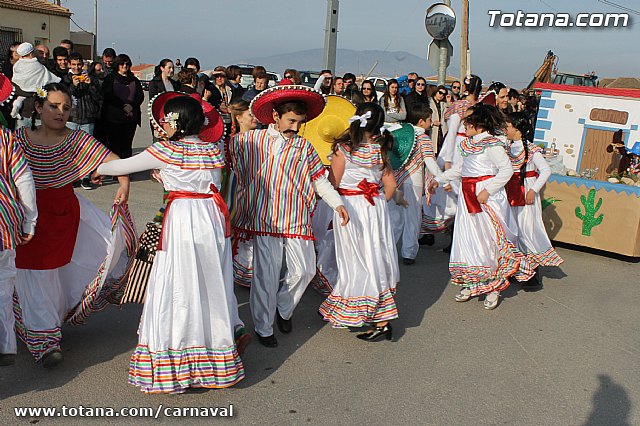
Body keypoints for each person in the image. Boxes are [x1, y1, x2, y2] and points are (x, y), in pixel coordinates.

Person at [97, 93, 246, 394]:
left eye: (166, 119)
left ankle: (177, 359)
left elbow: (120, 166)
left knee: (178, 285)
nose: (161, 123)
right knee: (209, 284)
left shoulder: (165, 150)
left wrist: (89, 164)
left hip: (182, 219)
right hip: (211, 218)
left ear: (177, 122)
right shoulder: (214, 150)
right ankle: (213, 358)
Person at [13, 82, 135, 367]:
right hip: (26, 216)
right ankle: (45, 340)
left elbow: (111, 159)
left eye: (66, 108)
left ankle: (46, 328)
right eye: (54, 106)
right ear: (39, 107)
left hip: (63, 215)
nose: (60, 112)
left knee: (59, 274)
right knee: (34, 275)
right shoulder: (19, 138)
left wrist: (125, 182)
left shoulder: (77, 140)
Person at [227, 84, 348, 348]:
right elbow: (221, 163)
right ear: (275, 117)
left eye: (300, 122)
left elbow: (319, 179)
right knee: (265, 276)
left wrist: (337, 203)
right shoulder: (248, 142)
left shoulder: (304, 147)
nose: (295, 126)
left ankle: (283, 307)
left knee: (304, 269)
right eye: (291, 120)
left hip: (295, 218)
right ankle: (263, 326)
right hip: (263, 218)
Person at [428, 103, 533, 310]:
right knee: (469, 240)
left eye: (468, 121)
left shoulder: (493, 145)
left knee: (489, 241)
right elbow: (460, 169)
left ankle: (494, 287)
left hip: (488, 199)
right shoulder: (468, 145)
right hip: (469, 199)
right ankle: (472, 281)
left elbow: (506, 171)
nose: (464, 125)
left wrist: (488, 190)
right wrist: (438, 179)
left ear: (478, 124)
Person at [319, 102, 398, 341]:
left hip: (350, 209)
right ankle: (380, 316)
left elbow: (333, 183)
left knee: (355, 258)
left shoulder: (344, 149)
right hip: (375, 208)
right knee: (375, 256)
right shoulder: (380, 149)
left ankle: (367, 309)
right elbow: (391, 185)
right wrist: (378, 203)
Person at [0, 81, 38, 366]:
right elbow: (24, 180)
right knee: (3, 286)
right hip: (4, 222)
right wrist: (29, 220)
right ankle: (5, 344)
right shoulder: (5, 138)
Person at [504, 112, 563, 291]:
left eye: (508, 126)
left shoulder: (531, 149)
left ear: (518, 129)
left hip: (526, 190)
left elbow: (545, 170)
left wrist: (533, 189)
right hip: (510, 191)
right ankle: (517, 269)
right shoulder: (506, 147)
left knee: (527, 229)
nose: (505, 130)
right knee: (512, 230)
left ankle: (532, 271)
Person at [390, 103, 442, 265]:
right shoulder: (423, 138)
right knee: (412, 218)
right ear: (421, 122)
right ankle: (409, 252)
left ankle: (388, 251)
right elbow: (430, 163)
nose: (430, 123)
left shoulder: (398, 132)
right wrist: (441, 178)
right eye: (429, 120)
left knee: (394, 218)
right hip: (414, 182)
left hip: (395, 180)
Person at [226, 100, 259, 288]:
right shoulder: (238, 140)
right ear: (239, 118)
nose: (254, 118)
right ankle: (244, 271)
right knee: (244, 230)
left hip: (253, 188)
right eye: (250, 115)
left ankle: (248, 271)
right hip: (244, 189)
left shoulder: (257, 137)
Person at [101, 54, 144, 159]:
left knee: (127, 145)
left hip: (130, 118)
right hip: (114, 117)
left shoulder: (134, 79)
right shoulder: (110, 78)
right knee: (115, 145)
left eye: (127, 64)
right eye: (122, 64)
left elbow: (140, 96)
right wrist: (123, 106)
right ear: (117, 65)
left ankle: (125, 171)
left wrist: (132, 106)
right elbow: (107, 95)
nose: (124, 66)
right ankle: (115, 170)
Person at [10, 42, 61, 128]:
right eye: (41, 53)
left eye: (47, 54)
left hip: (40, 114)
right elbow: (15, 86)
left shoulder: (19, 65)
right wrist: (30, 93)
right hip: (25, 113)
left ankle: (16, 105)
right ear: (33, 53)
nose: (44, 56)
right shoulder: (37, 66)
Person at [428, 84, 449, 153]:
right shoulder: (429, 101)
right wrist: (432, 123)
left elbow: (448, 114)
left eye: (444, 94)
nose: (441, 95)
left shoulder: (443, 104)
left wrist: (448, 102)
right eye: (440, 93)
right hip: (432, 129)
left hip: (442, 131)